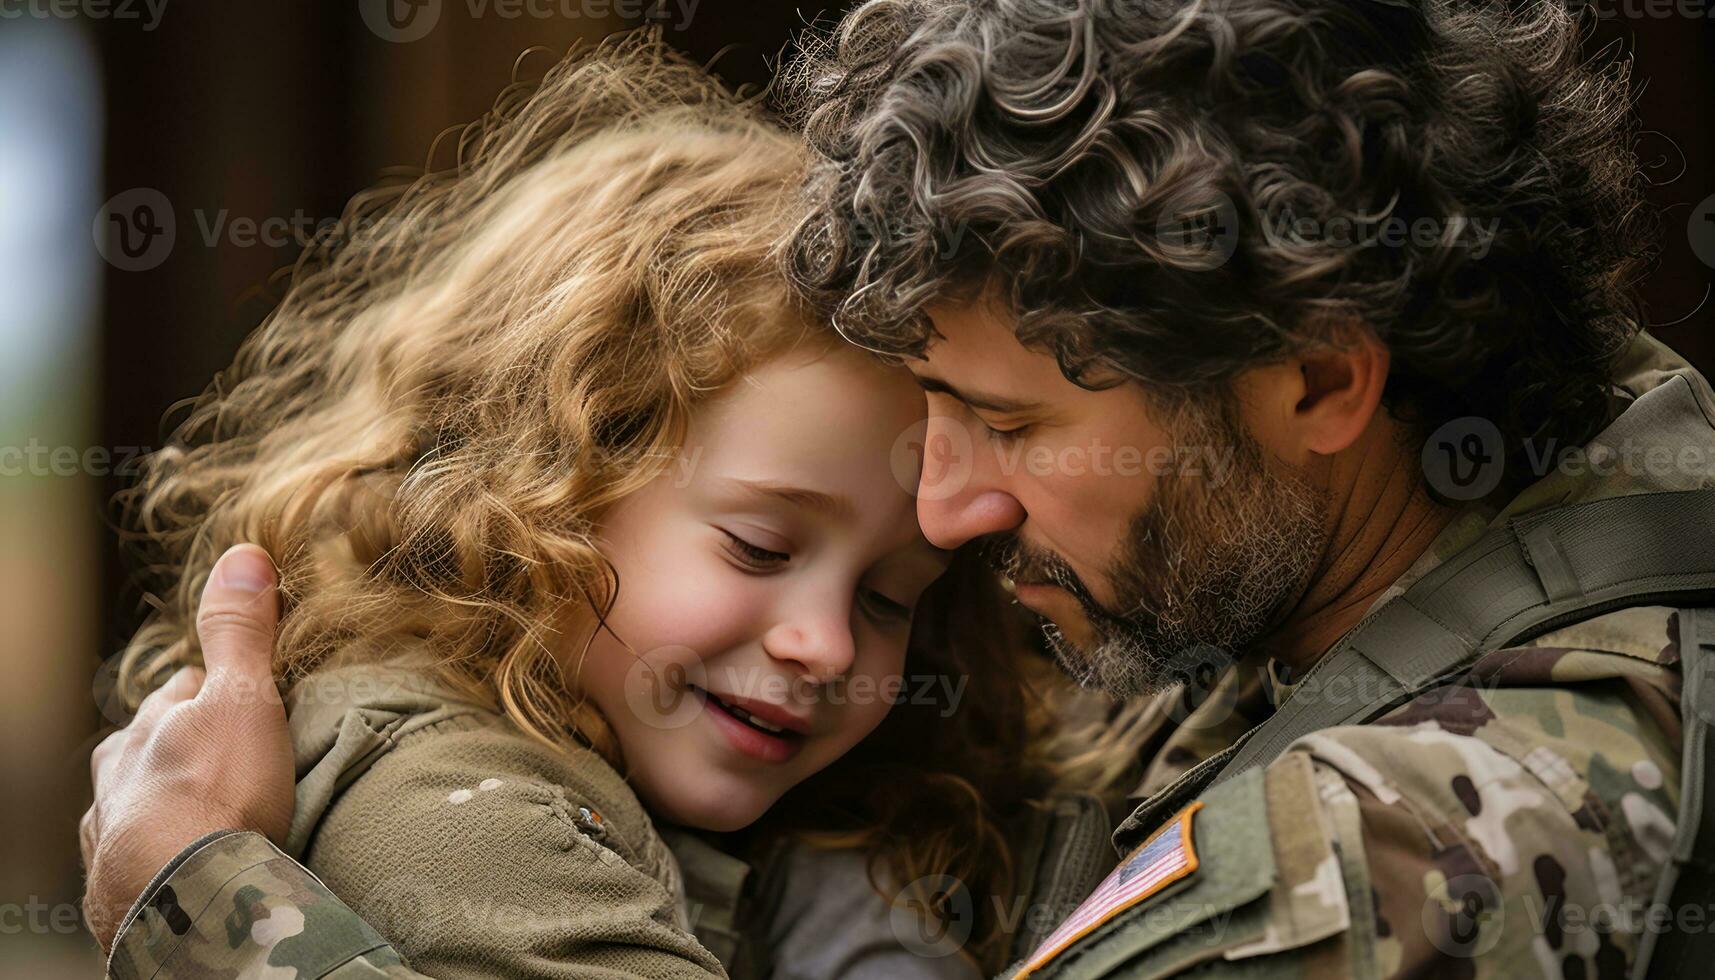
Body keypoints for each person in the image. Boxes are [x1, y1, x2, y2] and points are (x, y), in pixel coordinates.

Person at [87, 0, 1715, 977]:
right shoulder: (1547, 473)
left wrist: (210, 901)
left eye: (1001, 422)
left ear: (1318, 380)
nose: (945, 515)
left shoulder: (1382, 876)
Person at [81, 33, 1111, 980]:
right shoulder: (457, 812)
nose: (825, 642)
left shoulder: (703, 793)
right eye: (758, 546)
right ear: (536, 491)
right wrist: (205, 900)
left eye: (890, 599)